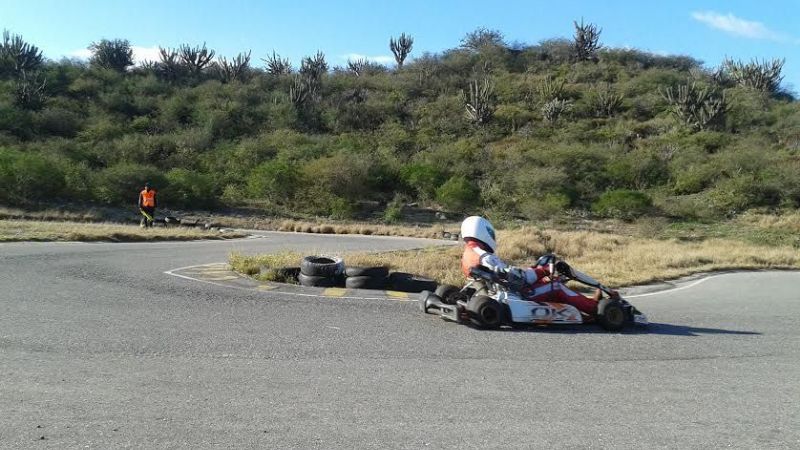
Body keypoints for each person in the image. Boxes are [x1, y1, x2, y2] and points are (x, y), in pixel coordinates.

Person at [459, 215, 602, 315]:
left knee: (546, 267)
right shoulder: (484, 256)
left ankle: (573, 304)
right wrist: (544, 271)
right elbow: (516, 277)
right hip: (516, 295)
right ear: (482, 231)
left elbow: (505, 273)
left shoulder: (470, 252)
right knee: (556, 285)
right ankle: (594, 308)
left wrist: (538, 270)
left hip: (498, 290)